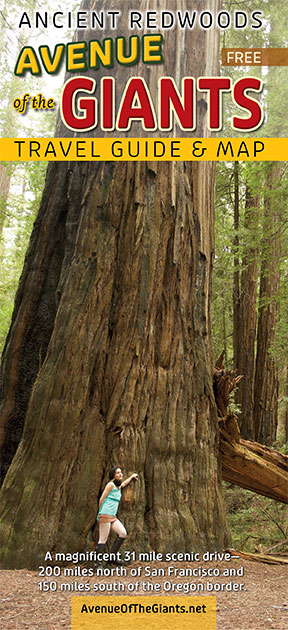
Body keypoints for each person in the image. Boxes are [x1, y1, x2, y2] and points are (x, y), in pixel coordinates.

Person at [95, 466, 138, 564]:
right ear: (113, 475)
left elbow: (123, 484)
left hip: (113, 516)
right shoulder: (110, 485)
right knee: (103, 539)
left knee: (123, 533)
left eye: (121, 472)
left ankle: (112, 557)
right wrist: (101, 513)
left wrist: (131, 477)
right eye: (118, 473)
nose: (121, 474)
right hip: (105, 514)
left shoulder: (117, 486)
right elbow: (101, 499)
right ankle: (97, 564)